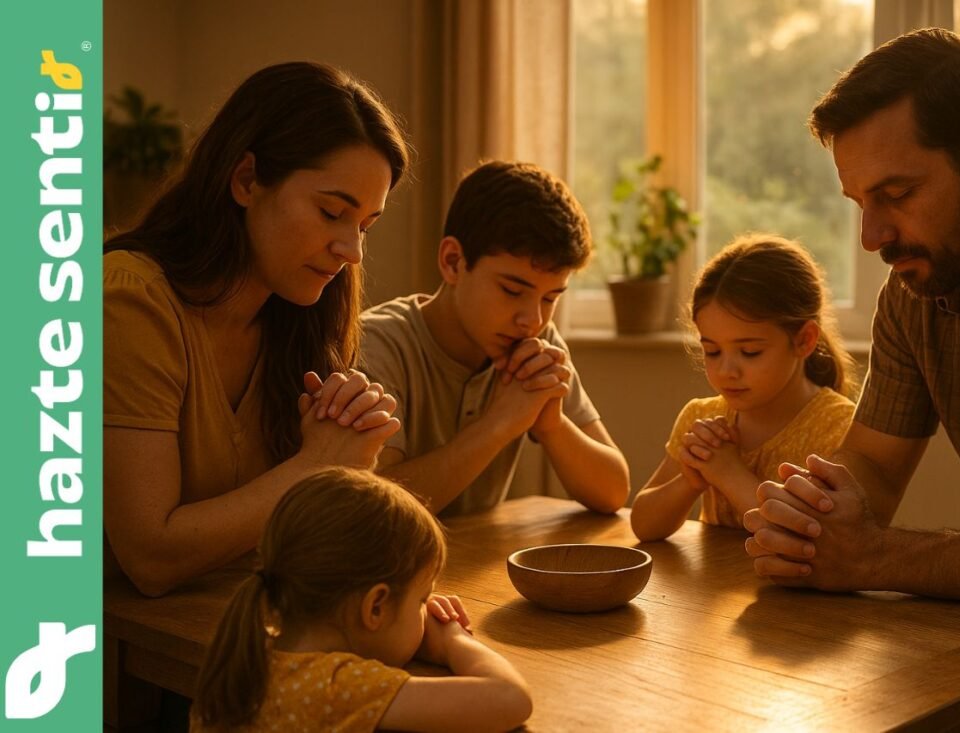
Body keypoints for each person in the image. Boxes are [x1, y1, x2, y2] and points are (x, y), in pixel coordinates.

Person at [742, 28, 960, 605]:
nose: (872, 237)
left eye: (898, 194)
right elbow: (875, 467)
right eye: (861, 203)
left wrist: (873, 556)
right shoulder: (917, 290)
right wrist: (811, 521)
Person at [104, 62, 410, 597]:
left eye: (365, 225)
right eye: (331, 211)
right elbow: (149, 558)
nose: (352, 250)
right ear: (246, 180)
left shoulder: (297, 318)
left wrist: (350, 464)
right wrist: (317, 464)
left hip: (231, 623)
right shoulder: (129, 300)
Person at [360, 160, 630, 516]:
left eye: (551, 298)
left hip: (478, 562)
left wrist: (553, 425)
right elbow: (372, 511)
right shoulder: (377, 345)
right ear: (454, 261)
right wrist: (500, 425)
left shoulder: (537, 341)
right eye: (512, 290)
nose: (532, 320)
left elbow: (614, 492)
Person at [190, 467, 532, 733]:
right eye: (421, 600)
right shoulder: (337, 686)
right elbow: (509, 700)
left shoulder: (247, 652)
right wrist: (452, 640)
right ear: (375, 607)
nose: (427, 612)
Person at [631, 235, 856, 541]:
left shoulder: (840, 426)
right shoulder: (702, 417)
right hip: (709, 588)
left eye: (750, 352)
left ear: (804, 340)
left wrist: (727, 472)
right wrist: (690, 480)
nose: (726, 371)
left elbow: (805, 543)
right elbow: (643, 526)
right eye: (712, 351)